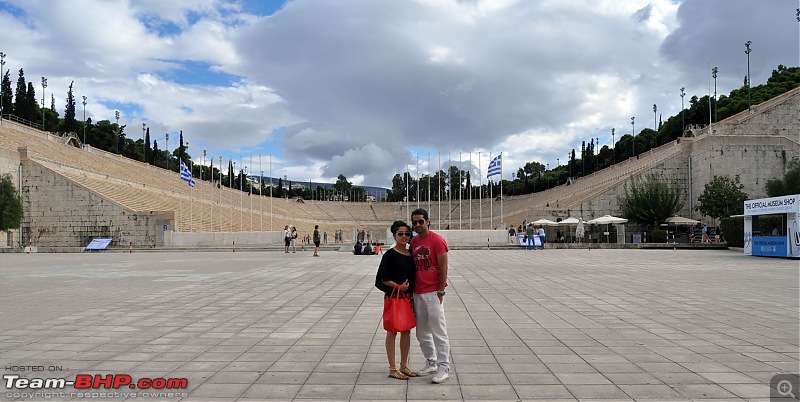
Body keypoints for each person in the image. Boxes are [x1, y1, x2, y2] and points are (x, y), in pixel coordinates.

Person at [410, 208, 451, 384]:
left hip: (433, 292)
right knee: (421, 332)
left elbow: (443, 267)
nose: (417, 225)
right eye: (415, 222)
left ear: (428, 221)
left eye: (421, 221)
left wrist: (441, 290)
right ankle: (431, 361)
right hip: (418, 292)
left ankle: (444, 367)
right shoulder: (413, 242)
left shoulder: (437, 240)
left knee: (438, 331)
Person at [375, 221, 418, 380]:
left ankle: (403, 365)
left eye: (407, 233)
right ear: (394, 235)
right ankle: (393, 368)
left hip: (408, 298)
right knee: (392, 330)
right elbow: (383, 278)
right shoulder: (390, 255)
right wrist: (399, 287)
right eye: (400, 234)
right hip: (395, 298)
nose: (404, 236)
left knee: (406, 330)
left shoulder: (410, 254)